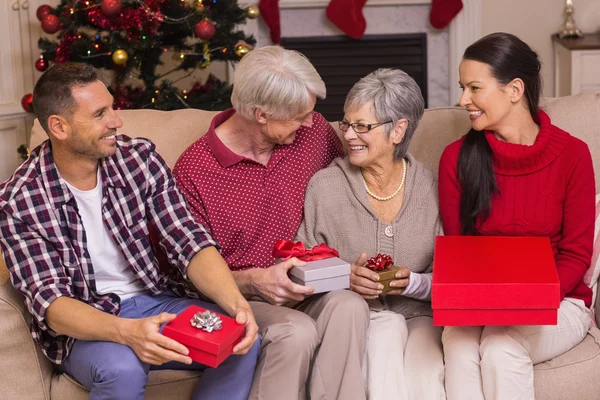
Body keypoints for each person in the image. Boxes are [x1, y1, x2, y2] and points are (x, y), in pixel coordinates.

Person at [0, 63, 260, 400]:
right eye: (100, 114)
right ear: (59, 127)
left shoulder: (138, 158)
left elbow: (188, 238)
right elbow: (52, 303)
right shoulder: (19, 200)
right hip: (88, 322)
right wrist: (127, 332)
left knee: (239, 338)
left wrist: (239, 306)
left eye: (112, 107)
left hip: (156, 301)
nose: (116, 121)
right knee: (122, 369)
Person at [173, 45, 369, 400]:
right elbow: (185, 276)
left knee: (349, 307)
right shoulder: (195, 172)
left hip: (309, 284)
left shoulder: (315, 135)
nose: (311, 122)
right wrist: (254, 281)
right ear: (261, 114)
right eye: (299, 115)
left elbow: (350, 194)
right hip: (241, 297)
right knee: (294, 332)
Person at [438, 32, 595, 400]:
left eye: (474, 88)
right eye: (463, 87)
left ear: (515, 90)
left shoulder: (573, 156)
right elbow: (459, 253)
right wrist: (492, 303)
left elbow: (576, 255)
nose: (463, 100)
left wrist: (527, 298)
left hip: (561, 300)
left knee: (500, 347)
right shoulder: (455, 158)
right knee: (461, 348)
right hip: (480, 301)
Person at [295, 68, 445, 400]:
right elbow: (298, 268)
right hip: (361, 318)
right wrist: (344, 276)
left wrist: (413, 283)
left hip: (419, 314)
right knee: (386, 335)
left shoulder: (431, 187)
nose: (349, 135)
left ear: (398, 130)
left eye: (362, 126)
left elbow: (451, 280)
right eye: (346, 124)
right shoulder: (326, 186)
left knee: (426, 372)